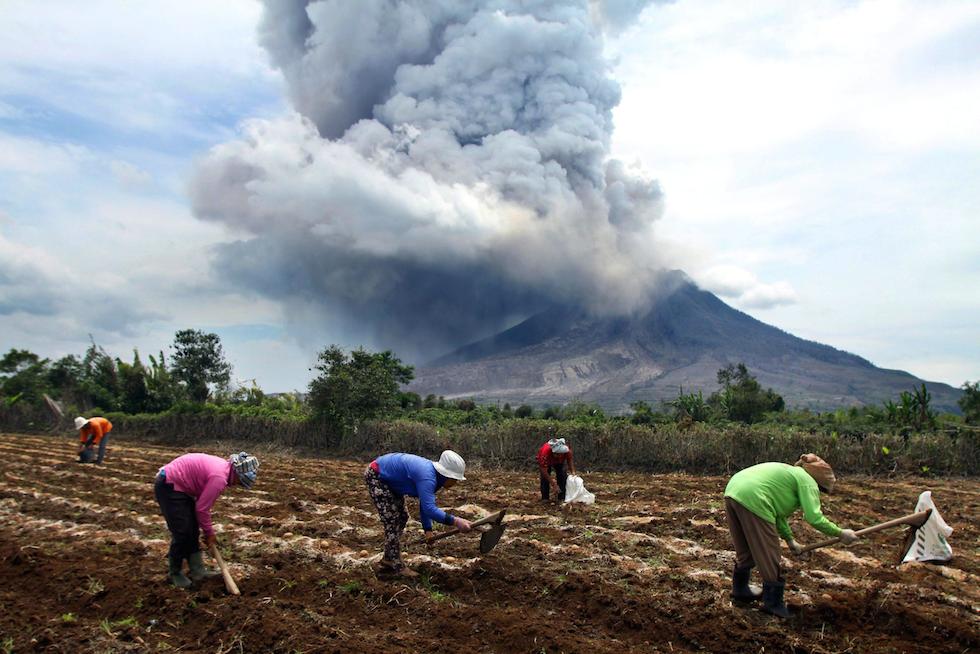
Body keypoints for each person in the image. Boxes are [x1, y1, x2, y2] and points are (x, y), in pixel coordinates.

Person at [723, 453, 859, 618]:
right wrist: (840, 532)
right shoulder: (808, 482)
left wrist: (790, 540)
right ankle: (773, 603)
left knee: (746, 549)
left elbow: (777, 514)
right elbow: (814, 518)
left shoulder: (792, 474)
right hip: (754, 497)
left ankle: (740, 590)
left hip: (733, 490)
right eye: (821, 491)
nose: (818, 494)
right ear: (819, 484)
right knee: (769, 554)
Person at [154, 451, 259, 588]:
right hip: (169, 485)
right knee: (183, 532)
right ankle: (175, 573)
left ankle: (198, 571)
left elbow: (200, 502)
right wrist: (209, 533)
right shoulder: (219, 478)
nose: (236, 485)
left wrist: (204, 529)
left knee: (192, 529)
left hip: (181, 487)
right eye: (240, 482)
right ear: (238, 475)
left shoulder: (224, 469)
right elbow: (202, 509)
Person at [364, 450, 473, 578]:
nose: (456, 483)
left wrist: (428, 530)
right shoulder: (427, 476)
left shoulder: (435, 478)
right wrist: (456, 521)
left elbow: (424, 504)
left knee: (402, 517)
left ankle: (389, 558)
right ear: (447, 475)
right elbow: (429, 509)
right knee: (393, 520)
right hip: (377, 476)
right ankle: (394, 565)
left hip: (389, 479)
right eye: (455, 479)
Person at [537, 437, 575, 503]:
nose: (558, 456)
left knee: (562, 475)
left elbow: (570, 460)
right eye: (556, 454)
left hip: (560, 462)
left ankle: (561, 497)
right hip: (547, 461)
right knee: (545, 478)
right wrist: (553, 484)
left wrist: (573, 472)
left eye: (560, 454)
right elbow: (544, 470)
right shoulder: (545, 452)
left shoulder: (567, 451)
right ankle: (545, 497)